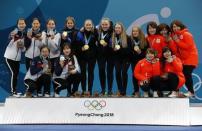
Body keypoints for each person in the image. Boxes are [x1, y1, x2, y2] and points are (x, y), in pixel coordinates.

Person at [170, 20, 199, 97]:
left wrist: (177, 41)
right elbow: (176, 49)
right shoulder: (176, 36)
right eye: (173, 27)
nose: (175, 28)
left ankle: (191, 92)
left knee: (186, 74)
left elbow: (187, 46)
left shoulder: (187, 34)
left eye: (176, 26)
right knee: (180, 74)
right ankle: (176, 91)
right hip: (183, 59)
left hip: (191, 58)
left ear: (180, 26)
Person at [4, 18, 27, 97]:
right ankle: (13, 92)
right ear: (17, 25)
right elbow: (8, 44)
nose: (21, 25)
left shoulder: (25, 35)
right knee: (14, 73)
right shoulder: (14, 32)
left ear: (25, 24)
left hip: (17, 59)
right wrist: (12, 39)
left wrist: (21, 46)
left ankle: (15, 91)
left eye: (23, 23)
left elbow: (24, 50)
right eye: (20, 23)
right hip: (9, 57)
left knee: (16, 74)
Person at [76, 19, 98, 96]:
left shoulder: (95, 33)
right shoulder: (80, 33)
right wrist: (81, 49)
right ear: (84, 26)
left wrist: (94, 28)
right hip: (82, 56)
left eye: (90, 25)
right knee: (83, 73)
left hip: (92, 57)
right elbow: (77, 45)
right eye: (87, 25)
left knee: (91, 73)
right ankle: (84, 90)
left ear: (92, 25)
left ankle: (89, 90)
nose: (88, 26)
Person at [111, 22, 131, 96]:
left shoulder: (127, 37)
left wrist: (120, 49)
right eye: (116, 28)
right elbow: (111, 50)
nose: (117, 29)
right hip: (117, 59)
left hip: (126, 59)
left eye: (119, 28)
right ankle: (120, 90)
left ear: (122, 29)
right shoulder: (113, 37)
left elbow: (129, 51)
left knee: (124, 72)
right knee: (117, 73)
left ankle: (124, 91)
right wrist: (114, 50)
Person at [130, 26, 148, 97]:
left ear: (139, 32)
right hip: (134, 61)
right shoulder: (130, 40)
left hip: (143, 61)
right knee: (135, 76)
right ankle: (136, 91)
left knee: (145, 76)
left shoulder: (144, 40)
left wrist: (140, 53)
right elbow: (128, 51)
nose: (135, 32)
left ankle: (146, 91)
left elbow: (147, 52)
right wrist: (133, 53)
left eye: (136, 31)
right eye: (133, 31)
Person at [97, 18, 113, 95]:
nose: (104, 26)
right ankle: (103, 89)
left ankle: (109, 90)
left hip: (110, 55)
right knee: (101, 71)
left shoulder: (113, 32)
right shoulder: (97, 31)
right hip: (100, 55)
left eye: (106, 24)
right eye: (103, 24)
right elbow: (89, 28)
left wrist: (109, 45)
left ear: (109, 25)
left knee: (109, 72)